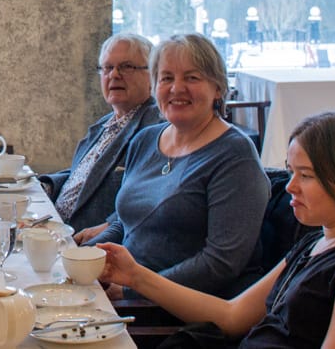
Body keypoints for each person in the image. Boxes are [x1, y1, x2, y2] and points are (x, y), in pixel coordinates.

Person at [97, 110, 335, 348]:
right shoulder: (315, 242)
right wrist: (136, 275)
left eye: (306, 176)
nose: (290, 187)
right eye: (292, 172)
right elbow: (232, 316)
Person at [85, 33, 270, 299]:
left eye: (192, 77)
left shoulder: (234, 155)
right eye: (167, 78)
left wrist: (132, 289)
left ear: (218, 88)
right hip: (125, 290)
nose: (176, 88)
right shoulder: (145, 140)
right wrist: (81, 257)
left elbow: (221, 264)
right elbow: (128, 223)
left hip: (175, 312)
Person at [39, 33, 163, 234]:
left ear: (152, 74)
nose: (114, 75)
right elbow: (85, 176)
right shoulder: (106, 123)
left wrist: (109, 227)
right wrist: (48, 186)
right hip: (55, 230)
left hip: (91, 245)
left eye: (126, 66)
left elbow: (150, 197)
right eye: (107, 67)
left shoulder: (155, 127)